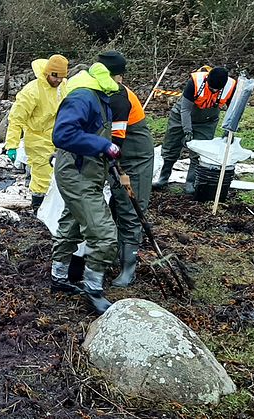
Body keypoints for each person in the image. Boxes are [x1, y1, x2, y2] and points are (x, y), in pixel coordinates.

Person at [49, 51, 132, 314]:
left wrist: (109, 158)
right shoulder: (83, 96)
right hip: (77, 172)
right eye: (119, 75)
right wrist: (103, 145)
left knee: (72, 223)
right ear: (108, 74)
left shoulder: (101, 96)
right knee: (105, 234)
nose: (121, 81)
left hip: (87, 171)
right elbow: (62, 134)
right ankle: (93, 289)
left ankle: (59, 277)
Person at [104, 53, 155, 288]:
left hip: (135, 155)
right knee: (116, 203)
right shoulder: (103, 90)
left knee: (131, 209)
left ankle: (128, 268)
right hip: (120, 152)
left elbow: (117, 138)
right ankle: (112, 255)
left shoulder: (119, 96)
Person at [152, 66, 236, 193]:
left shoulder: (230, 87)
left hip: (207, 121)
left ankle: (190, 183)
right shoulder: (195, 82)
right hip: (181, 117)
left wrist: (230, 129)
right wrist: (187, 130)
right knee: (170, 148)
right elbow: (185, 109)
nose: (213, 90)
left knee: (198, 153)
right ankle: (163, 178)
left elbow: (233, 111)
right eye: (211, 87)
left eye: (217, 89)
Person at [4, 54, 69, 211]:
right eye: (55, 76)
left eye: (61, 76)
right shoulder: (32, 91)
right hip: (37, 137)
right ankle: (38, 206)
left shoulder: (62, 85)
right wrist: (11, 144)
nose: (58, 80)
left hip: (59, 135)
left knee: (63, 172)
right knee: (43, 172)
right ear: (48, 73)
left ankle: (55, 205)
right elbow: (16, 118)